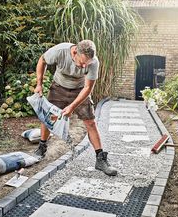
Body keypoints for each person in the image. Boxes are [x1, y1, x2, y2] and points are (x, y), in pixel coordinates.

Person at [34, 40, 117, 176]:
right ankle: (41, 147)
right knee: (47, 118)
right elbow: (42, 60)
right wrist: (39, 84)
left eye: (87, 64)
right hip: (58, 87)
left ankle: (100, 159)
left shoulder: (93, 62)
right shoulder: (59, 51)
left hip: (80, 90)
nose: (84, 66)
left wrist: (72, 106)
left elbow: (88, 87)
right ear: (74, 53)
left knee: (90, 122)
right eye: (82, 62)